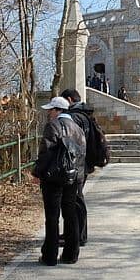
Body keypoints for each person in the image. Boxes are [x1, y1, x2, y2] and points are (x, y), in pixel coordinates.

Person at [35, 96, 86, 266]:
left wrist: (38, 173)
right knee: (70, 214)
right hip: (73, 177)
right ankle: (71, 254)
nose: (49, 113)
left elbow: (46, 152)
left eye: (51, 110)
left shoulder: (53, 126)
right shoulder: (77, 128)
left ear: (58, 110)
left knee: (52, 216)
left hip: (54, 177)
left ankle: (50, 255)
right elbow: (81, 154)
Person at [60, 88, 99, 247]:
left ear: (69, 100)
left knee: (74, 200)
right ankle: (76, 233)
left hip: (77, 164)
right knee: (76, 199)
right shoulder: (86, 115)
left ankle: (77, 235)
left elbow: (72, 142)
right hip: (84, 162)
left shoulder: (75, 117)